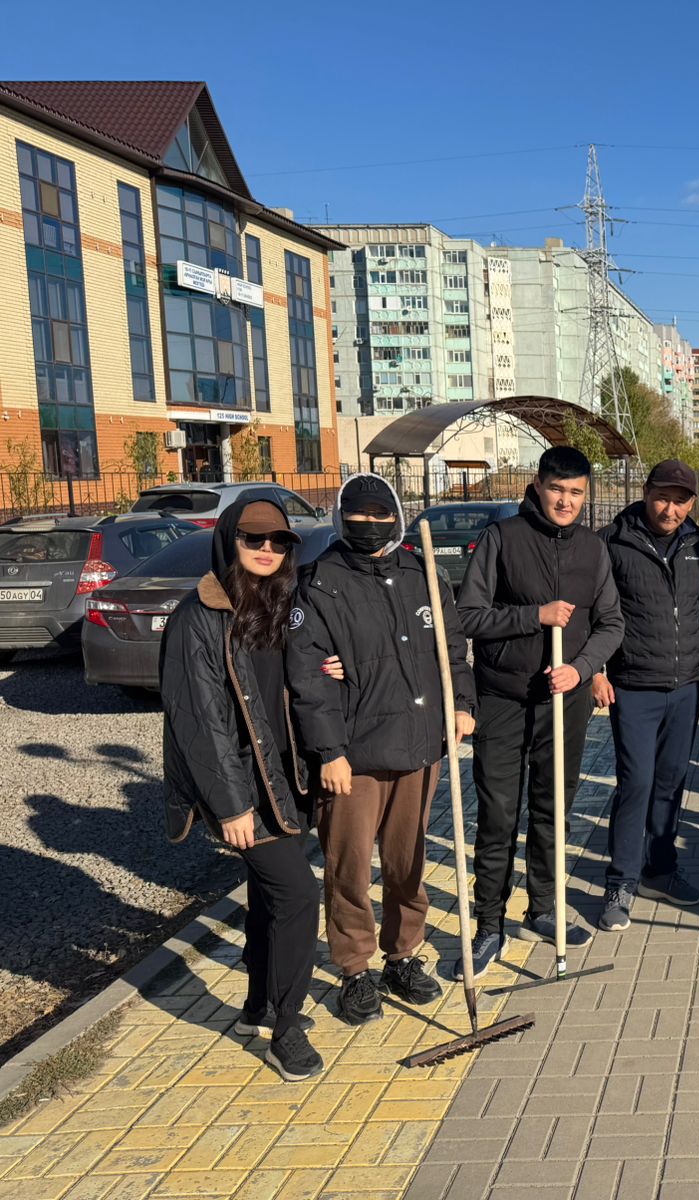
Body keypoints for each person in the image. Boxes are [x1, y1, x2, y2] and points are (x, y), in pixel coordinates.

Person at [287, 473, 475, 1025]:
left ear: (397, 514)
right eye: (357, 517)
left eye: (379, 515)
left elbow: (455, 648)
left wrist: (463, 704)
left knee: (407, 863)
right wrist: (329, 751)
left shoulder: (424, 575)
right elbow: (308, 678)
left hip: (420, 748)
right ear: (341, 518)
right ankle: (354, 967)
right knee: (348, 867)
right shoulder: (321, 583)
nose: (369, 526)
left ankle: (403, 955)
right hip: (355, 758)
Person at [161, 494, 323, 1079]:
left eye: (278, 542)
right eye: (253, 539)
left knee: (266, 898)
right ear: (228, 541)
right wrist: (231, 806)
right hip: (239, 790)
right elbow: (199, 723)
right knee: (299, 896)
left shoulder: (278, 605)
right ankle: (285, 1028)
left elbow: (289, 685)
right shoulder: (197, 618)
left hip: (284, 782)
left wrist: (330, 668)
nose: (266, 550)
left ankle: (258, 1003)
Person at [452, 446, 624, 977]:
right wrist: (535, 616)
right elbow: (469, 616)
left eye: (576, 493)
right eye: (557, 490)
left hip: (563, 700)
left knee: (553, 809)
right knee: (500, 814)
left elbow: (611, 624)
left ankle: (544, 909)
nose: (566, 501)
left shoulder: (594, 550)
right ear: (538, 486)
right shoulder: (503, 539)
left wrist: (582, 667)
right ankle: (488, 926)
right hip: (503, 699)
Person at [593, 460, 699, 932]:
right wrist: (594, 670)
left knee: (671, 782)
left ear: (691, 503)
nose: (669, 508)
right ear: (646, 492)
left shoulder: (697, 545)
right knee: (636, 782)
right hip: (633, 686)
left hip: (685, 687)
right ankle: (621, 880)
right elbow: (591, 614)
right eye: (661, 497)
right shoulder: (613, 542)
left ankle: (660, 869)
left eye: (680, 500)